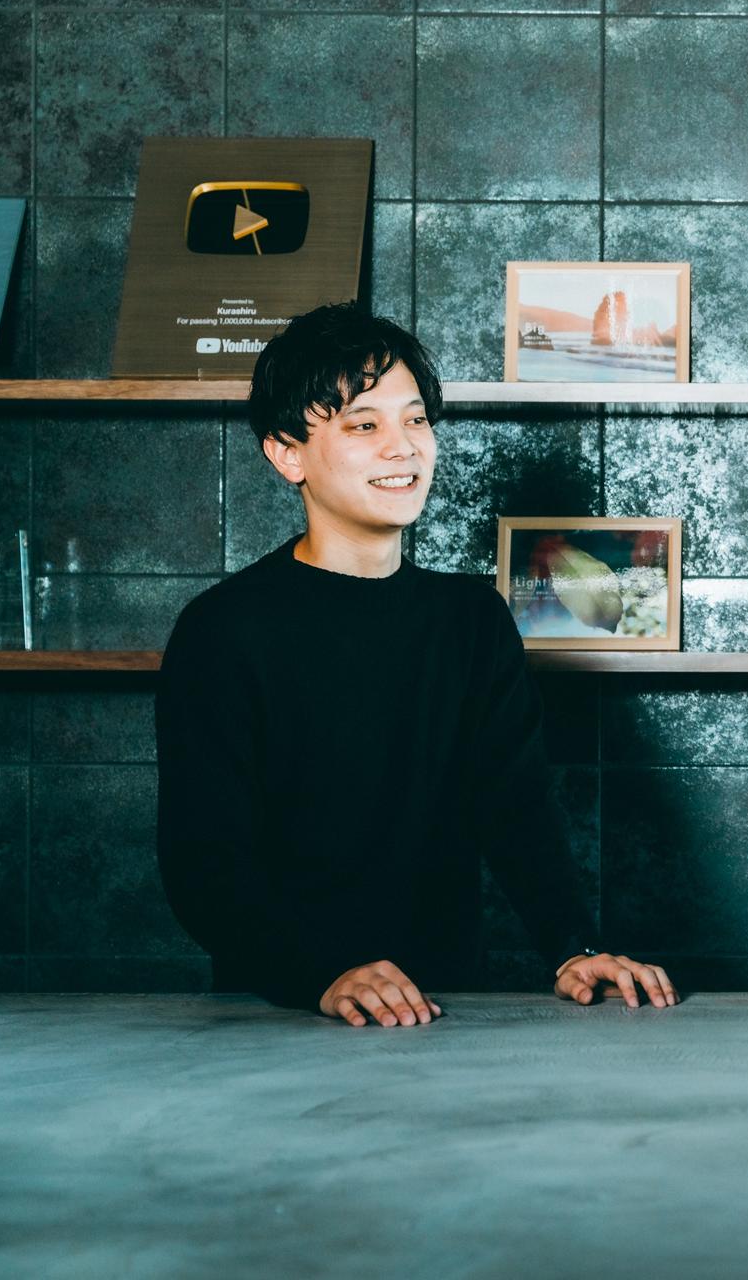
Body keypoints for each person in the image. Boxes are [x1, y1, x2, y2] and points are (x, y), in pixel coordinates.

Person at [156, 303, 675, 1026]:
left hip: (445, 1013)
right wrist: (320, 974)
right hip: (278, 1015)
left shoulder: (470, 620)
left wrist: (573, 948)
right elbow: (203, 863)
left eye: (416, 420)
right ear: (287, 454)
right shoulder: (223, 630)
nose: (402, 448)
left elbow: (517, 810)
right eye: (363, 426)